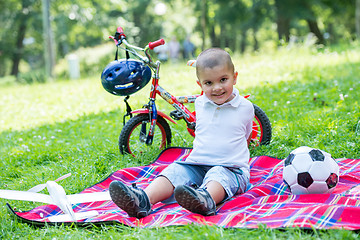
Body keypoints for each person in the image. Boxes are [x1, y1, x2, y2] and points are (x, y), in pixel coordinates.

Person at [109, 48, 254, 218]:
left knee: (218, 175)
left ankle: (206, 199)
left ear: (235, 77)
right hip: (198, 163)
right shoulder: (200, 103)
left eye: (223, 80)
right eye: (208, 83)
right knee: (175, 171)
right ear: (200, 85)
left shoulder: (245, 107)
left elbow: (246, 137)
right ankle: (142, 200)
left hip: (232, 168)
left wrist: (235, 160)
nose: (217, 88)